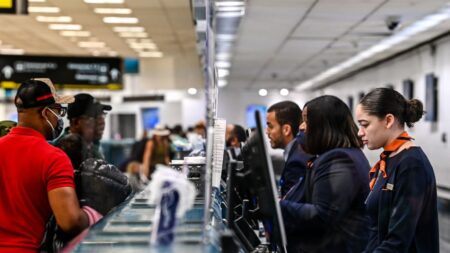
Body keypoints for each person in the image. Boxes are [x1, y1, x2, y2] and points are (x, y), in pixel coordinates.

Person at [0, 78, 90, 252]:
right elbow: (70, 222)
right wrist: (93, 212)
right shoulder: (53, 158)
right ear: (45, 112)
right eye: (58, 112)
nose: (59, 119)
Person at [280, 95, 370, 253]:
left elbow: (323, 214)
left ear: (323, 125)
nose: (301, 127)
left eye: (306, 121)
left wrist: (278, 206)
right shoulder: (331, 156)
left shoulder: (340, 159)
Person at [356, 88, 438, 252]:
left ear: (388, 120)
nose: (360, 132)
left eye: (365, 124)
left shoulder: (411, 165)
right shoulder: (390, 159)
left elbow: (398, 241)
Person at [266, 101, 310, 197]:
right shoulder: (296, 151)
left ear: (286, 129)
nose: (266, 132)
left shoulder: (297, 161)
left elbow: (290, 204)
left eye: (270, 126)